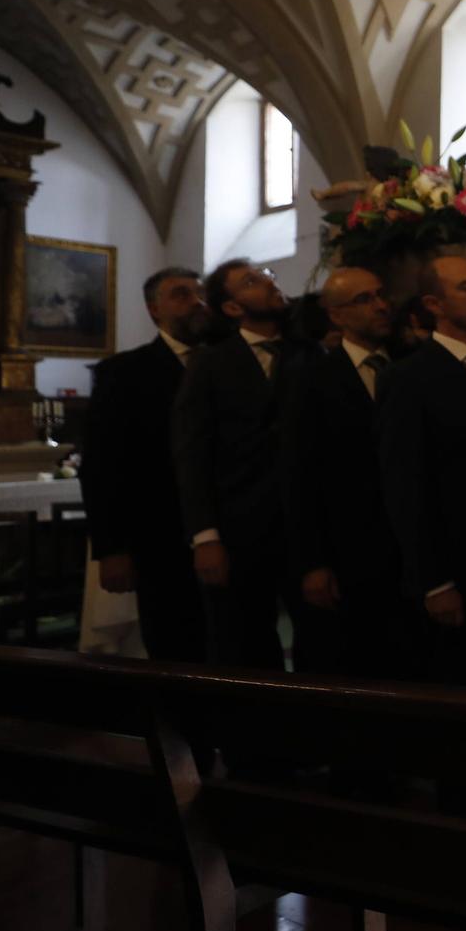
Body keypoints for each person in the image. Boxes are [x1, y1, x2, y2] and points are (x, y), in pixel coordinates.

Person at [377, 255, 466, 690]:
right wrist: (433, 580)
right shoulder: (409, 378)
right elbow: (407, 483)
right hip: (460, 559)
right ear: (433, 303)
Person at [279, 267, 418, 680]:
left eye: (380, 295)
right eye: (364, 300)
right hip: (349, 551)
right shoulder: (310, 381)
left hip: (408, 551)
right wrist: (312, 562)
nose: (380, 305)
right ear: (336, 316)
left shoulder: (411, 367)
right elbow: (299, 475)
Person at [173, 260, 301, 670]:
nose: (267, 280)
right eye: (250, 281)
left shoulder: (308, 353)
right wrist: (205, 536)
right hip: (239, 523)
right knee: (244, 643)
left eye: (267, 274)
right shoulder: (210, 363)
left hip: (304, 525)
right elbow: (192, 451)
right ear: (231, 308)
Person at [82, 267, 210, 663]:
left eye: (199, 293)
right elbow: (102, 464)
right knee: (175, 648)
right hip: (160, 536)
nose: (196, 302)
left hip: (229, 533)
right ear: (154, 310)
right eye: (181, 294)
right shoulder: (124, 373)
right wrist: (111, 548)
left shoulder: (228, 363)